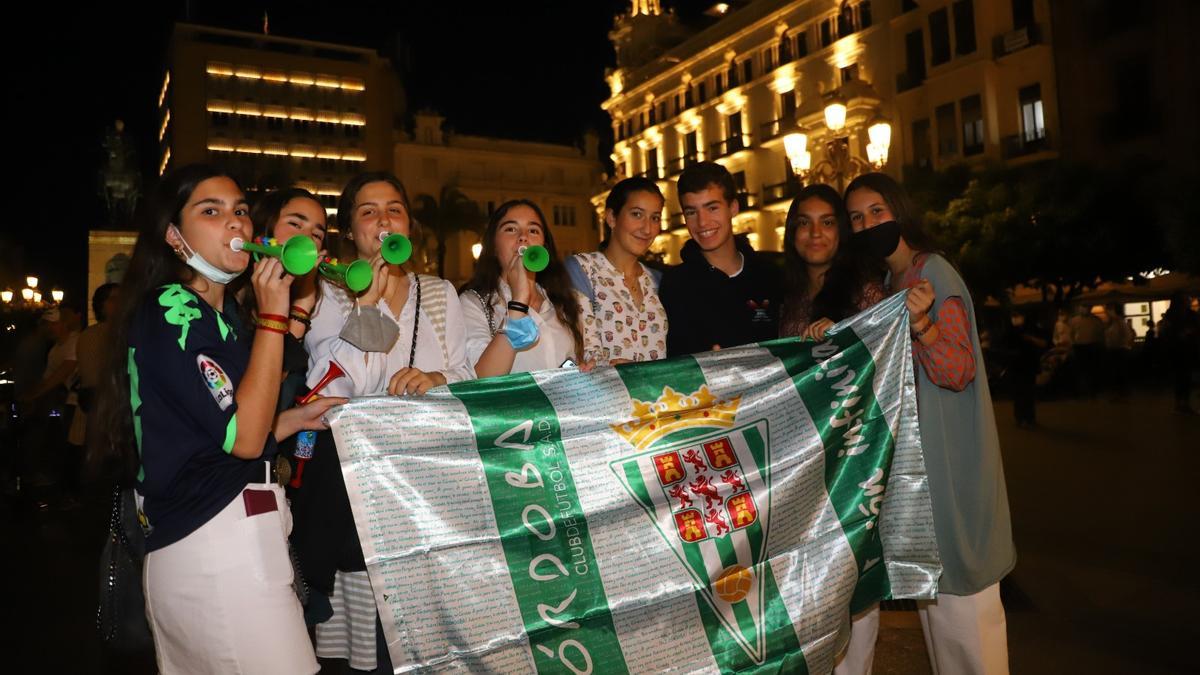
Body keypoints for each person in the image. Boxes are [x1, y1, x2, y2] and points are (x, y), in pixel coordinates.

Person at [98, 164, 342, 674]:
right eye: (210, 211)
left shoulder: (224, 316)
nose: (235, 224)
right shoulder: (173, 309)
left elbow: (222, 432)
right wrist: (276, 316)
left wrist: (296, 418)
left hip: (231, 539)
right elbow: (246, 441)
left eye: (240, 211)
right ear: (173, 235)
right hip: (211, 545)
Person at [837, 172, 1015, 675]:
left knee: (967, 626)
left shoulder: (934, 273)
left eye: (876, 211)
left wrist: (924, 324)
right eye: (857, 217)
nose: (868, 223)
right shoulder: (894, 283)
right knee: (943, 628)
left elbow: (958, 371)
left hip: (953, 473)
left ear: (899, 209)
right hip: (924, 476)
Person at [296, 171, 472, 673]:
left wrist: (436, 377)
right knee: (367, 641)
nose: (383, 220)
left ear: (408, 225)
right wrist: (367, 302)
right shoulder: (328, 295)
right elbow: (332, 385)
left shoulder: (437, 291)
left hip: (428, 480)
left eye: (393, 209)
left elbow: (464, 370)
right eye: (368, 211)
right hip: (358, 485)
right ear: (350, 230)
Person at [658, 161, 782, 355]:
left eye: (712, 208)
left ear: (733, 208)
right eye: (691, 212)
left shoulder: (772, 276)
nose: (702, 222)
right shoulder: (675, 285)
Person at [459, 199, 585, 376]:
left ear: (543, 246)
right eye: (511, 229)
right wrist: (518, 302)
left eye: (533, 230)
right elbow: (480, 379)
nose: (523, 237)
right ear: (493, 246)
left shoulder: (565, 302)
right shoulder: (473, 303)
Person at [565, 177, 668, 366]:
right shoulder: (583, 269)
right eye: (637, 214)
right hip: (606, 392)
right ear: (612, 217)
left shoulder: (658, 280)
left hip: (659, 393)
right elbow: (585, 350)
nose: (647, 228)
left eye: (655, 218)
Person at [777, 183, 884, 341]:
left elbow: (888, 350)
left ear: (841, 231)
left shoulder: (866, 293)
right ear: (793, 233)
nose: (815, 233)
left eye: (827, 223)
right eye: (804, 223)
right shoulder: (786, 297)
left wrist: (844, 332)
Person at [1002, 309, 1047, 427]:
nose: (1015, 319)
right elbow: (1005, 347)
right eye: (1013, 316)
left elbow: (1043, 343)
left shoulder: (1032, 329)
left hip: (1029, 365)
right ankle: (1020, 418)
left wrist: (1030, 339)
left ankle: (1030, 418)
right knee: (1019, 393)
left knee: (1029, 392)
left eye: (1017, 316)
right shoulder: (1010, 332)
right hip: (1016, 366)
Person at [1159, 292, 1198, 414]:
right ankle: (1184, 404)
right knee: (1185, 377)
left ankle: (1179, 404)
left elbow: (1165, 331)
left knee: (1181, 378)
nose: (1189, 301)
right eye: (1187, 299)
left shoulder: (1170, 315)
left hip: (1177, 350)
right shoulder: (1189, 314)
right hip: (1185, 350)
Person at [1069, 305, 1105, 397]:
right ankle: (1081, 390)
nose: (1084, 309)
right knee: (1080, 369)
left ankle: (1092, 390)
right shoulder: (1074, 321)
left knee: (1092, 369)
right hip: (1079, 346)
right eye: (1082, 307)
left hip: (1092, 346)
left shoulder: (1096, 320)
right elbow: (1071, 334)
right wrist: (1073, 345)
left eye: (1086, 307)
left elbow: (1100, 334)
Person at [1103, 304, 1134, 400]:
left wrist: (1122, 344)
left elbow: (1127, 336)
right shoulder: (1112, 322)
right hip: (1114, 350)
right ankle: (1119, 393)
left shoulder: (1119, 322)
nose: (1107, 313)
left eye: (1108, 310)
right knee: (1116, 373)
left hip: (1119, 350)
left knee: (1119, 373)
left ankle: (1121, 394)